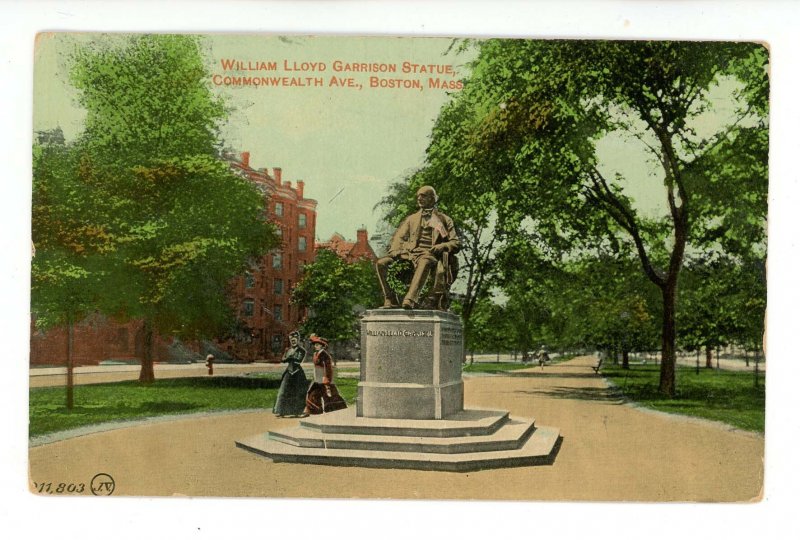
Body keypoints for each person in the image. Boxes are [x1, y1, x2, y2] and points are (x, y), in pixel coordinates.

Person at [375, 185, 460, 310]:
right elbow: (398, 238)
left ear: (432, 199)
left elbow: (455, 243)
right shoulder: (412, 219)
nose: (419, 198)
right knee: (381, 263)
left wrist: (442, 246)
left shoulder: (444, 220)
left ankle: (410, 299)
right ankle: (390, 299)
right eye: (418, 196)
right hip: (409, 254)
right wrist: (396, 251)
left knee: (425, 260)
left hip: (430, 255)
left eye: (423, 196)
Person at [303, 335, 347, 415]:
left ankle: (338, 408)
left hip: (323, 378)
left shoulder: (325, 355)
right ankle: (314, 410)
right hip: (317, 378)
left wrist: (326, 379)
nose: (315, 346)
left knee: (329, 394)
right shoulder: (316, 354)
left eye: (317, 345)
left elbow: (328, 368)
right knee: (312, 393)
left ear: (322, 346)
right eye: (315, 345)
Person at [273, 331, 308, 417]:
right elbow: (283, 359)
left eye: (295, 339)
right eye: (291, 340)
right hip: (289, 371)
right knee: (284, 390)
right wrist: (290, 358)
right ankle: (281, 411)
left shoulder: (302, 350)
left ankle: (297, 411)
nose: (293, 341)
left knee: (298, 392)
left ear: (298, 340)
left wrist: (289, 358)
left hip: (297, 372)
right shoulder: (288, 350)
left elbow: (298, 360)